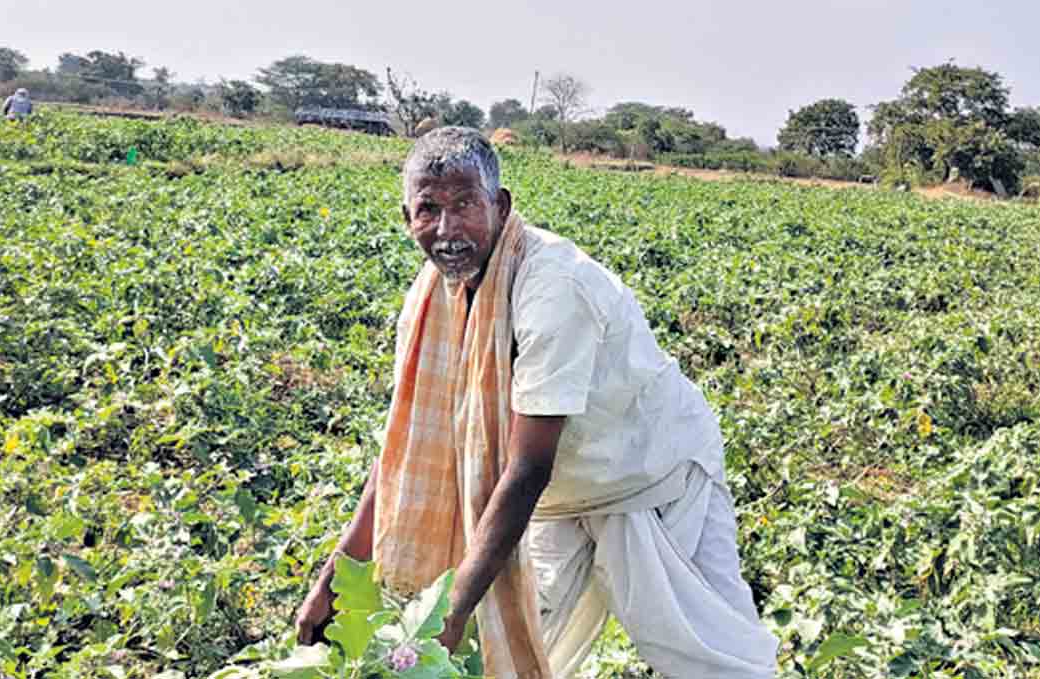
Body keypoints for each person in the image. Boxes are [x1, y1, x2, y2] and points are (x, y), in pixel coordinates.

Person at [295, 127, 779, 679]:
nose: (447, 230)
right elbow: (402, 451)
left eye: (465, 204)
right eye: (429, 209)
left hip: (646, 474)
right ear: (407, 216)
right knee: (524, 639)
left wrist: (452, 612)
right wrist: (337, 576)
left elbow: (527, 466)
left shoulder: (553, 288)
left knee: (701, 649)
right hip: (558, 497)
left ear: (500, 206)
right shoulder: (435, 294)